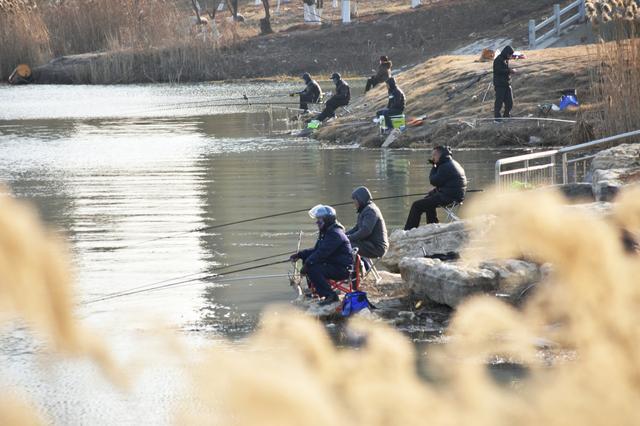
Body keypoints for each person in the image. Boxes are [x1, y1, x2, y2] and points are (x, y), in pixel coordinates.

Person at [290, 204, 353, 305]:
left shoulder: (335, 234)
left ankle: (331, 296)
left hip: (342, 269)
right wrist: (299, 255)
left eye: (319, 219)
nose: (317, 222)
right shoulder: (327, 232)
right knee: (308, 259)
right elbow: (317, 250)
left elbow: (321, 253)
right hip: (334, 264)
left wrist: (307, 265)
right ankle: (315, 290)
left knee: (312, 267)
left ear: (327, 220)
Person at [404, 146, 467, 230]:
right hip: (456, 196)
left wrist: (434, 166)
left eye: (434, 155)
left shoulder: (444, 166)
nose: (432, 158)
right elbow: (446, 184)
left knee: (416, 205)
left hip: (449, 198)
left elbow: (433, 181)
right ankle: (433, 225)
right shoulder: (452, 163)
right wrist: (434, 191)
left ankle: (408, 231)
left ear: (439, 155)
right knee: (428, 199)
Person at [347, 186, 389, 259]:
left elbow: (365, 231)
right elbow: (356, 228)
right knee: (344, 242)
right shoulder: (364, 210)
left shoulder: (370, 211)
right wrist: (343, 235)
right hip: (369, 244)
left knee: (346, 245)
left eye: (355, 200)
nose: (354, 203)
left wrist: (349, 238)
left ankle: (351, 268)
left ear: (360, 199)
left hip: (377, 247)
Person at [493, 45, 516, 121]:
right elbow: (498, 71)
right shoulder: (497, 60)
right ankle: (497, 118)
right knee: (499, 102)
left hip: (506, 84)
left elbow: (505, 70)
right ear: (506, 53)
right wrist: (509, 71)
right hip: (500, 85)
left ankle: (506, 115)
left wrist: (510, 70)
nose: (510, 56)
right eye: (509, 54)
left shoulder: (506, 60)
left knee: (510, 102)